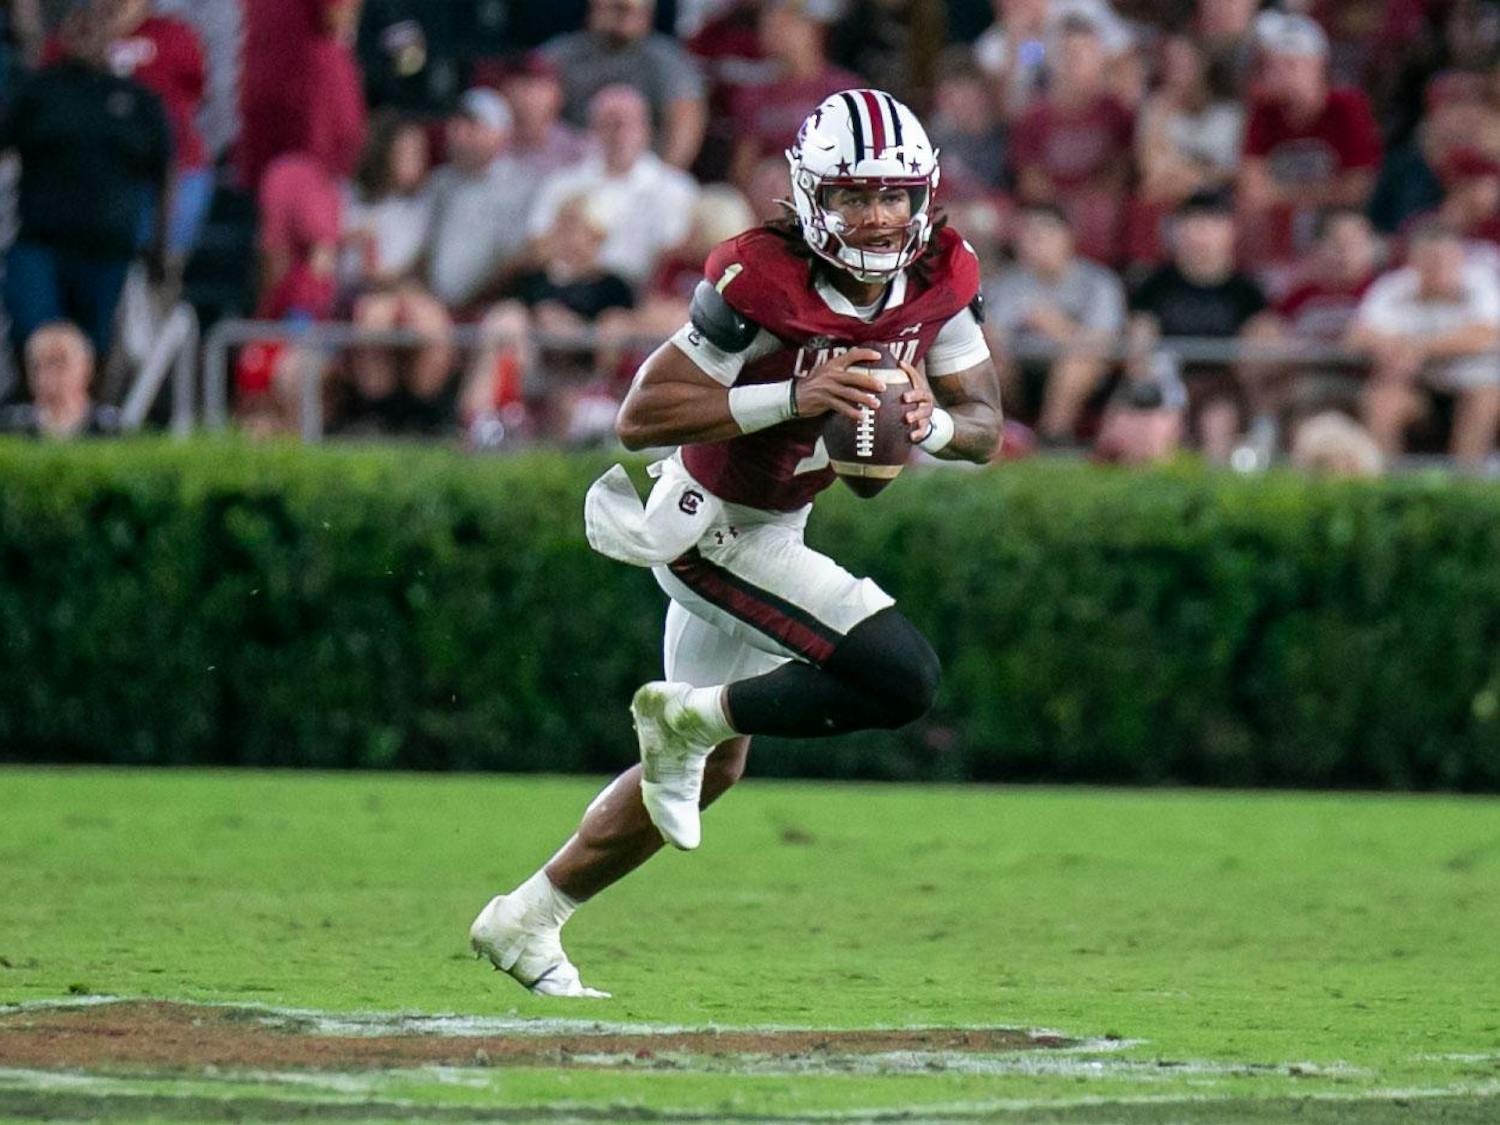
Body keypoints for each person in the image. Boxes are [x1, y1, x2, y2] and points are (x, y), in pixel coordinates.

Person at [468, 88, 1003, 998]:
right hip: (705, 527)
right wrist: (795, 397)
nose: (877, 217)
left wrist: (931, 423)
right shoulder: (759, 277)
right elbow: (643, 417)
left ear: (924, 196)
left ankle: (527, 918)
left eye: (894, 195)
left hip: (775, 522)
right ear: (811, 198)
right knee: (902, 675)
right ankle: (692, 712)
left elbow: (984, 422)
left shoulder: (942, 275)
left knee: (708, 774)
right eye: (852, 196)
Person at [0, 2, 170, 371]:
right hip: (41, 241)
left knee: (94, 344)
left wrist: (159, 245)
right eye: (77, 24)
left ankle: (89, 418)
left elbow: (164, 173)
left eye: (95, 24)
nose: (86, 33)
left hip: (107, 246)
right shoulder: (38, 93)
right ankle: (31, 412)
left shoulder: (137, 101)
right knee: (37, 334)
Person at [1127, 191, 1273, 461]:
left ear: (1230, 232)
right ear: (1176, 231)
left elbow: (1261, 347)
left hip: (1223, 386)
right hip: (1166, 384)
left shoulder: (1247, 291)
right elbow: (1140, 346)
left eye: (1210, 225)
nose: (1200, 235)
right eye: (1192, 225)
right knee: (1152, 425)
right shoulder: (1153, 286)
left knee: (1218, 420)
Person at [1345, 219, 1500, 467]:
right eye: (1429, 260)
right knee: (1381, 401)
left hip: (1474, 386)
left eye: (1445, 259)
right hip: (1419, 390)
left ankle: (1465, 487)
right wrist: (1389, 347)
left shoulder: (1481, 283)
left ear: (1459, 258)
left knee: (1484, 397)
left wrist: (1419, 348)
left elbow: (1486, 334)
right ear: (1413, 261)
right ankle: (1390, 491)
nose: (1437, 267)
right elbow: (1357, 336)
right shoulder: (1393, 287)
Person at [1236, 13, 1381, 264]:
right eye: (1271, 66)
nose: (1278, 74)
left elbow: (1359, 187)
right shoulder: (1264, 110)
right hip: (1281, 230)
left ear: (1318, 65)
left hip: (1342, 228)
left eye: (1290, 64)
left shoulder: (1347, 106)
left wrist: (1282, 195)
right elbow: (1251, 188)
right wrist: (1320, 193)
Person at [527, 84, 699, 288]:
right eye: (609, 123)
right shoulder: (561, 183)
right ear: (593, 129)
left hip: (638, 301)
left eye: (628, 124)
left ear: (646, 129)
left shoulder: (676, 189)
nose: (620, 133)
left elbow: (675, 255)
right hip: (566, 292)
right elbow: (538, 245)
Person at [985, 202, 1125, 444]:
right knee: (986, 360)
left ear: (1068, 237)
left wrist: (1053, 326)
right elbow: (992, 334)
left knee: (1077, 362)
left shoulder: (1098, 282)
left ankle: (1053, 438)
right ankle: (994, 439)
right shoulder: (1006, 283)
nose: (1033, 242)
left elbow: (1103, 342)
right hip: (1020, 369)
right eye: (1026, 235)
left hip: (1081, 375)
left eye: (1042, 233)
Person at [541, 0, 708, 169]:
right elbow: (531, 109)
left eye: (638, 11)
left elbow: (686, 119)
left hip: (640, 171)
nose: (627, 16)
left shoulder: (666, 60)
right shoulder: (562, 54)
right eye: (619, 8)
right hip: (568, 166)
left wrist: (665, 177)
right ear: (595, 8)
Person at [724, 0, 861, 191]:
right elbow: (743, 167)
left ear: (814, 30)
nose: (775, 31)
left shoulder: (844, 89)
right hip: (770, 192)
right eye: (769, 24)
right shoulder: (753, 93)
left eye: (786, 23)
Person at [424, 88, 535, 313]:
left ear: (501, 134)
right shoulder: (439, 183)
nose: (460, 133)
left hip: (493, 307)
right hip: (435, 307)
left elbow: (515, 259)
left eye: (473, 125)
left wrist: (477, 299)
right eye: (457, 124)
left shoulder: (521, 185)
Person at [0, 322, 121, 437]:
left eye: (59, 363)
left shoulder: (109, 426)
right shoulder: (12, 424)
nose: (48, 373)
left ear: (86, 367)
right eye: (37, 365)